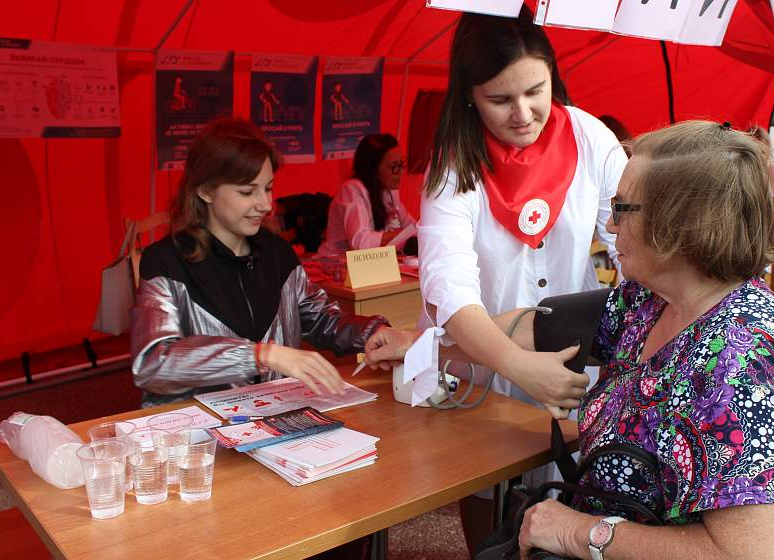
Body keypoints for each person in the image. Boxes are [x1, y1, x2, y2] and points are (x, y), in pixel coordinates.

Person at [369, 121, 774, 559]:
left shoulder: (740, 361)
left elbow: (756, 553)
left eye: (623, 208)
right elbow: (536, 325)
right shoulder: (653, 302)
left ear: (682, 224)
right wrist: (421, 344)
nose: (610, 226)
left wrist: (579, 532)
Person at [411, 5, 627, 552]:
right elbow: (449, 289)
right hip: (482, 347)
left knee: (566, 483)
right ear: (468, 94)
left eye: (536, 90)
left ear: (554, 73)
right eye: (499, 100)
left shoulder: (590, 138)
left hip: (570, 342)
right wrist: (515, 364)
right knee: (483, 485)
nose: (524, 113)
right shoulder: (453, 165)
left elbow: (635, 240)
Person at [130, 117, 395, 408]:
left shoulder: (277, 252)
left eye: (268, 188)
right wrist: (259, 355)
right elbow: (153, 362)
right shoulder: (166, 262)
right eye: (247, 192)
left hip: (275, 418)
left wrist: (373, 333)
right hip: (200, 436)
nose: (265, 204)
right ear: (204, 190)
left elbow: (319, 318)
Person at [317, 133, 417, 257]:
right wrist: (402, 235)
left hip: (369, 268)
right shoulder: (352, 189)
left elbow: (411, 226)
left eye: (402, 163)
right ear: (373, 170)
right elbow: (360, 241)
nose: (401, 171)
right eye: (394, 166)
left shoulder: (389, 190)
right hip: (336, 265)